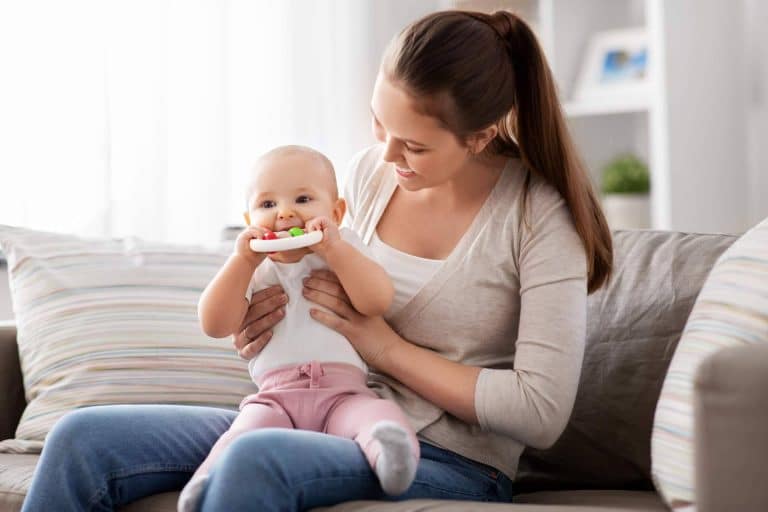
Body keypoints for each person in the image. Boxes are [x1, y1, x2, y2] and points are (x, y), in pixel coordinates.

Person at [21, 9, 613, 512]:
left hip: (444, 454)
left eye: (415, 145)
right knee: (82, 438)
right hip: (306, 407)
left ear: (480, 137)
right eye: (381, 122)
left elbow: (541, 412)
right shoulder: (368, 177)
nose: (387, 153)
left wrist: (385, 350)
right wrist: (265, 328)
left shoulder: (539, 219)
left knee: (257, 458)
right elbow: (314, 288)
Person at [177, 145, 419, 512]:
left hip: (344, 393)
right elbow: (214, 324)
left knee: (375, 416)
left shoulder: (344, 249)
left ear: (336, 212)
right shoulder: (252, 266)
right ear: (249, 219)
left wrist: (335, 249)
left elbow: (376, 301)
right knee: (243, 434)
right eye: (268, 205)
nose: (285, 213)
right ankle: (207, 481)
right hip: (275, 399)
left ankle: (390, 453)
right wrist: (241, 261)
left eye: (303, 199)